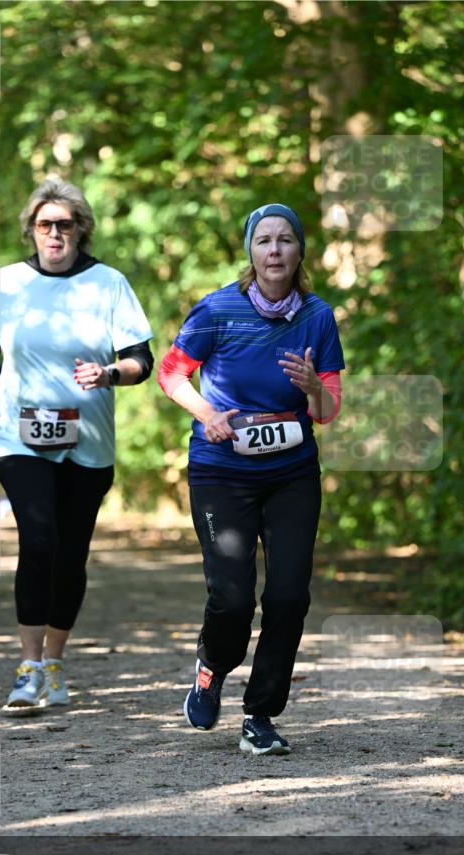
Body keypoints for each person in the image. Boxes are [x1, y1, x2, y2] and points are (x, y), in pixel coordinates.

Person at [158, 203, 344, 755]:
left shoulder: (318, 316)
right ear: (251, 252)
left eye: (286, 240)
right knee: (234, 599)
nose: (275, 250)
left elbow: (328, 411)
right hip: (222, 472)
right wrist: (207, 415)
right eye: (264, 241)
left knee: (288, 596)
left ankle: (260, 714)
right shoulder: (217, 309)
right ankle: (212, 668)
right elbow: (171, 373)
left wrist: (313, 386)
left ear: (299, 251)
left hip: (291, 474)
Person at [0, 177, 154, 714]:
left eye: (64, 225)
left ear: (80, 230)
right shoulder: (8, 282)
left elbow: (141, 358)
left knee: (71, 556)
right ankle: (27, 667)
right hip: (18, 434)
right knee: (40, 536)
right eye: (45, 224)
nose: (54, 234)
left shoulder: (108, 283)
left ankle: (54, 661)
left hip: (88, 437)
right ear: (31, 229)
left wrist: (109, 373)